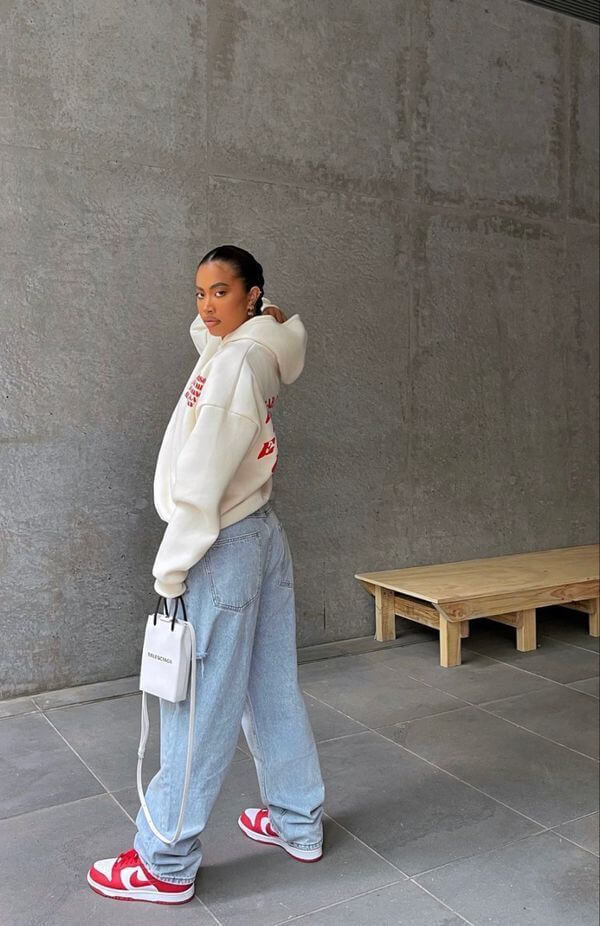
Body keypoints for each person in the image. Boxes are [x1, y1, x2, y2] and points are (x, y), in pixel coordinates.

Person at [86, 245, 326, 905]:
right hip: (260, 535)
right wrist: (256, 315)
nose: (205, 306)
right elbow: (212, 334)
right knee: (270, 687)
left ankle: (164, 863)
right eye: (199, 292)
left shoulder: (237, 364)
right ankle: (298, 821)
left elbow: (201, 482)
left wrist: (173, 567)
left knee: (197, 709)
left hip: (219, 543)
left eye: (221, 292)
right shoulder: (252, 347)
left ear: (253, 294)